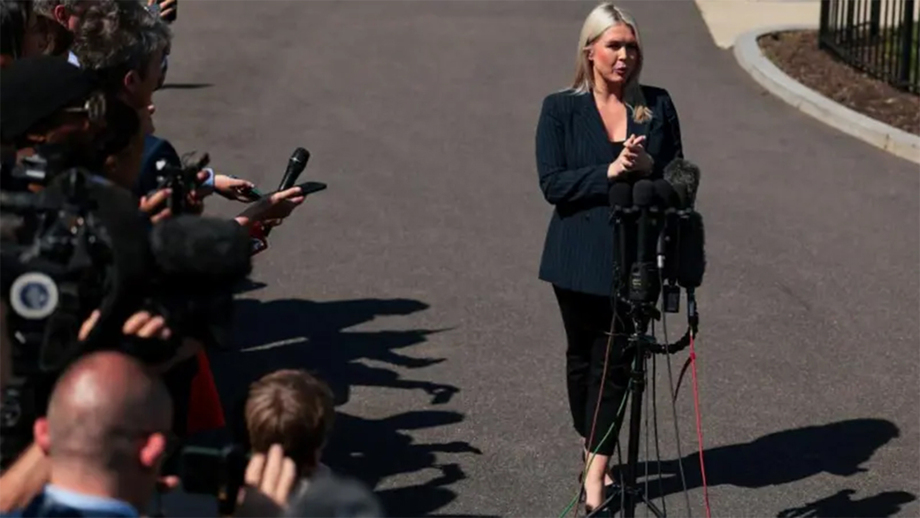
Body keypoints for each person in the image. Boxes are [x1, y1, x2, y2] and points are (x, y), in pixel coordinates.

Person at [534, 3, 683, 516]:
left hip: (635, 259)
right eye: (614, 45)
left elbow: (681, 180)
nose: (624, 56)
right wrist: (609, 171)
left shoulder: (656, 105)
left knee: (615, 363)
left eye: (632, 47)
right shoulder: (560, 108)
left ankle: (595, 474)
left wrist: (650, 167)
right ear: (590, 50)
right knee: (582, 360)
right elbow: (552, 183)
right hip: (576, 257)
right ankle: (592, 444)